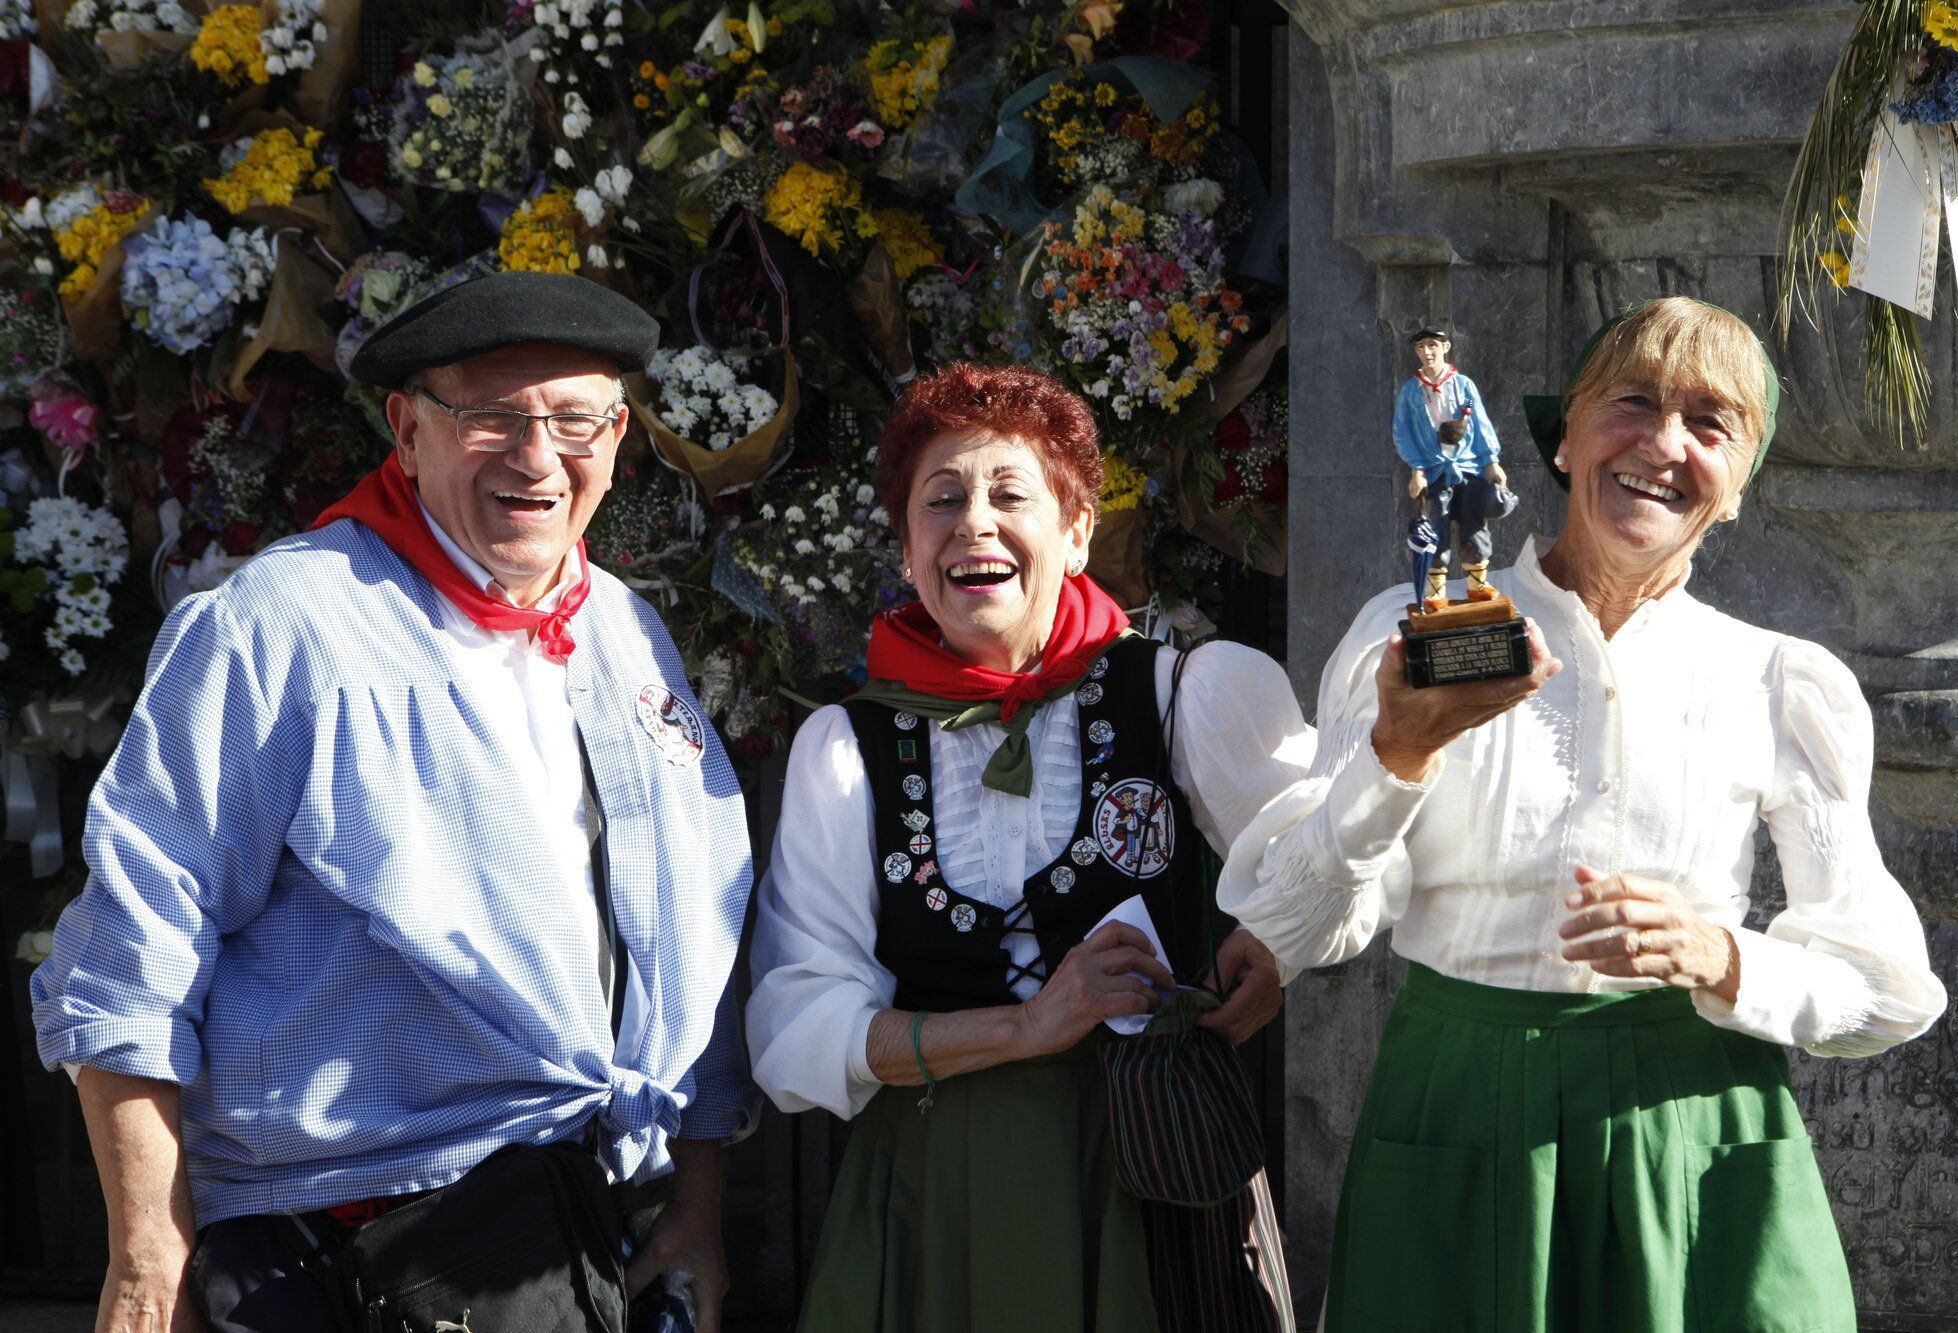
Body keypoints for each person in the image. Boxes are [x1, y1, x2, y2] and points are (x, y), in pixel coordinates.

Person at [31, 271, 756, 1333]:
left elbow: (693, 927)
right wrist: (148, 1252)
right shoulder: (286, 621)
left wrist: (696, 1206)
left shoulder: (620, 626)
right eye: (493, 418)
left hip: (574, 1233)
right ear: (407, 430)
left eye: (575, 421)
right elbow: (132, 948)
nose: (538, 456)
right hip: (330, 1250)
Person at [1223, 297, 1947, 1332]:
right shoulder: (1415, 630)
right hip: (1459, 1107)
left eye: (1711, 423)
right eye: (1632, 403)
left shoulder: (1777, 680)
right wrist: (1399, 750)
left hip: (1693, 1133)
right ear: (1560, 437)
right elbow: (1301, 925)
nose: (1662, 443)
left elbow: (1886, 989)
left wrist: (1720, 956)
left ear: (1738, 486)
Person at [746, 364, 1314, 1333]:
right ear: (907, 544)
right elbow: (796, 1023)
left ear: (1077, 529)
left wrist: (1278, 940)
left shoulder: (1184, 694)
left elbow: (1328, 860)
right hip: (937, 1194)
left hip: (1148, 1181)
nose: (972, 521)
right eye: (940, 500)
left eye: (1009, 494)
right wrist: (1018, 1028)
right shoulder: (848, 749)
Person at [1393, 324, 1508, 608]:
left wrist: (1491, 462)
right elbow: (1402, 432)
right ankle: (1435, 591)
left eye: (1432, 345)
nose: (1427, 352)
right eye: (1421, 347)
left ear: (1445, 347)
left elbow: (1480, 423)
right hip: (1433, 472)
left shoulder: (1463, 385)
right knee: (1435, 530)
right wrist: (1417, 469)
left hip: (1467, 469)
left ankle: (1478, 585)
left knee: (1474, 528)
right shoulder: (1410, 392)